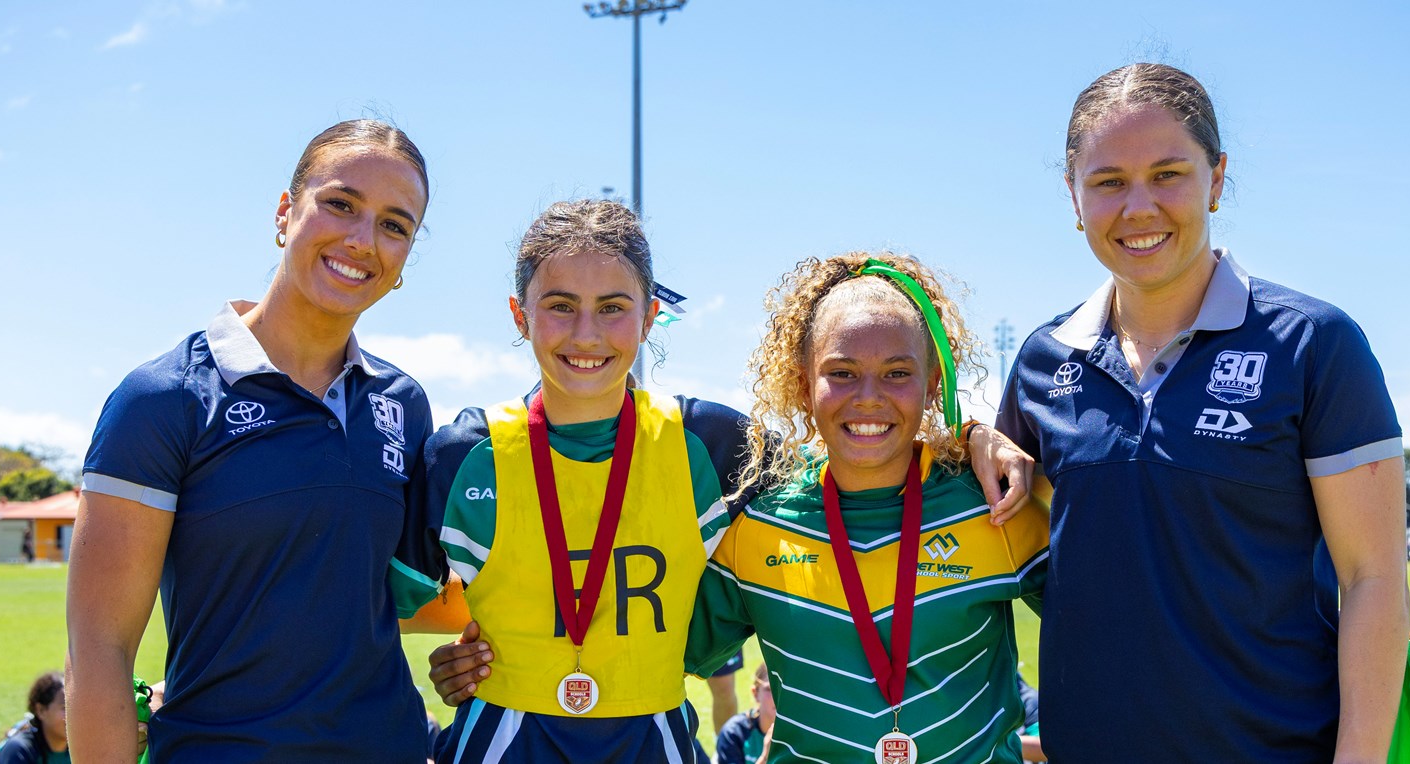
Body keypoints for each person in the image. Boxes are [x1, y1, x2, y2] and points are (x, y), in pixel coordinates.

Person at [396, 208, 1033, 762]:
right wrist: (467, 657)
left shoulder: (712, 441)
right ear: (519, 314)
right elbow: (372, 619)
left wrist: (972, 434)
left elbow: (852, 452)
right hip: (506, 737)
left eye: (612, 307)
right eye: (560, 305)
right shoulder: (461, 456)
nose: (586, 332)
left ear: (648, 318)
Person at [996, 63, 1410, 761]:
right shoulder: (1043, 361)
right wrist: (978, 436)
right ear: (1072, 196)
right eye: (1107, 182)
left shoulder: (1314, 342)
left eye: (1168, 174)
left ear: (1217, 179)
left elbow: (1372, 578)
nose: (1138, 207)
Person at [66, 119, 435, 762]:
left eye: (394, 224)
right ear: (285, 212)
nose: (362, 239)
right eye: (340, 204)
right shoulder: (163, 397)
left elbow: (398, 600)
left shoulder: (403, 404)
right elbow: (99, 648)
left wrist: (473, 654)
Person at [683, 252, 1051, 762]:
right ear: (802, 384)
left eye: (898, 372)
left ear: (933, 385)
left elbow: (1109, 633)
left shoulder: (994, 502)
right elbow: (659, 657)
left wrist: (974, 435)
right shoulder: (760, 524)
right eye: (842, 372)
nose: (869, 398)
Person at [0, 672, 69, 764]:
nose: (74, 716)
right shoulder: (19, 750)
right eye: (65, 708)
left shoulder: (82, 746)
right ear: (41, 710)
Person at [714, 663, 774, 764]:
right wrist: (765, 757)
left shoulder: (802, 729)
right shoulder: (734, 733)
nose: (777, 697)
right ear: (755, 693)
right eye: (770, 689)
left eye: (783, 690)